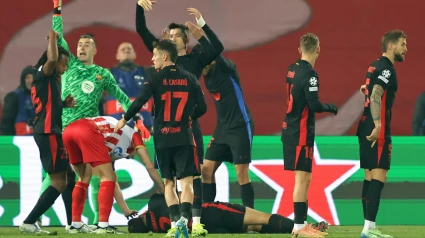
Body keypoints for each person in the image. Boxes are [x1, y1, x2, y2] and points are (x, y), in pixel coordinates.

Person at [38, 0, 150, 233]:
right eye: (79, 44)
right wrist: (57, 11)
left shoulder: (102, 74)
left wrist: (137, 118)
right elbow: (57, 37)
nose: (82, 47)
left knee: (96, 175)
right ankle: (37, 216)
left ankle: (89, 222)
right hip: (67, 126)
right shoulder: (68, 66)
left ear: (95, 50)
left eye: (87, 44)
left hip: (91, 130)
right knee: (59, 174)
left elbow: (124, 97)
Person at [136, 3, 223, 234]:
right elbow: (141, 30)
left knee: (194, 175)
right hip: (165, 129)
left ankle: (196, 223)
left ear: (186, 40)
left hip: (188, 127)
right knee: (170, 179)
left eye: (177, 36)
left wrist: (201, 29)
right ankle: (177, 223)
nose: (173, 38)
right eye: (170, 35)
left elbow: (217, 47)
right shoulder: (162, 59)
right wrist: (139, 7)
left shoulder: (194, 61)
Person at [115, 39, 207, 238]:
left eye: (155, 55)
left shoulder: (154, 78)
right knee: (187, 182)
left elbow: (140, 101)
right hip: (184, 137)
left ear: (164, 57)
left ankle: (175, 225)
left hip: (163, 139)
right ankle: (184, 219)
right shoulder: (190, 78)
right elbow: (203, 108)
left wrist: (125, 119)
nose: (152, 58)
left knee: (168, 183)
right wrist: (187, 117)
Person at [281, 33, 338, 238]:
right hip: (301, 132)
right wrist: (330, 107)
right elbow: (313, 104)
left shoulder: (291, 69)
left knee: (304, 178)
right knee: (302, 179)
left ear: (299, 49)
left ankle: (301, 224)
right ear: (318, 49)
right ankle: (298, 228)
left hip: (290, 129)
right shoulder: (310, 74)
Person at [18, 30, 74, 235]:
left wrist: (63, 104)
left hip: (50, 130)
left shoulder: (50, 80)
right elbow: (51, 57)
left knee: (68, 175)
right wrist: (52, 37)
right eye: (63, 64)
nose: (65, 67)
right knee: (59, 182)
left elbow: (47, 105)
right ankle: (30, 221)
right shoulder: (45, 71)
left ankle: (72, 223)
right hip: (48, 132)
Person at [356, 30, 407, 238]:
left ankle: (368, 228)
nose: (406, 48)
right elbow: (377, 94)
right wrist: (378, 125)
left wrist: (366, 90)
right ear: (391, 46)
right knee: (379, 175)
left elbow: (371, 89)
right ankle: (369, 229)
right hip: (378, 128)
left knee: (369, 176)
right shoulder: (387, 69)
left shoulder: (374, 65)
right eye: (403, 44)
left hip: (364, 124)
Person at [196, 50, 255, 209]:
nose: (202, 66)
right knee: (206, 171)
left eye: (205, 61)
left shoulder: (226, 67)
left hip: (240, 126)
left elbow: (215, 48)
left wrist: (201, 30)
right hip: (222, 129)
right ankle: (207, 213)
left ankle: (251, 219)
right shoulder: (205, 75)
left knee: (241, 173)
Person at [127, 193, 329, 235]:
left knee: (256, 226)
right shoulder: (154, 202)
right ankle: (303, 229)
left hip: (214, 229)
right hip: (212, 214)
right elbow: (182, 194)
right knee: (263, 218)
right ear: (139, 216)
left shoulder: (156, 228)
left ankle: (297, 229)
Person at [105, 42, 154, 130]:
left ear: (135, 55)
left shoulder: (148, 72)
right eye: (123, 49)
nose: (126, 50)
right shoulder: (107, 74)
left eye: (129, 49)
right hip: (117, 130)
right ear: (117, 56)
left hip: (146, 129)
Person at [0, 66, 36, 135]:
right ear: (23, 79)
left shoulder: (42, 97)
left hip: (38, 141)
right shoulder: (13, 97)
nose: (30, 81)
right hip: (18, 142)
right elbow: (6, 124)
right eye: (27, 77)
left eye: (33, 77)